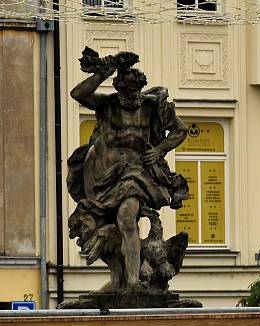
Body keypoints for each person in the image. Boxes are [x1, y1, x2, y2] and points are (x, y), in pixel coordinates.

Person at [67, 48, 189, 292]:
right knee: (101, 228)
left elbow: (180, 130)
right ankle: (118, 279)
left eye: (135, 91)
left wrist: (160, 149)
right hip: (102, 178)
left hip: (135, 175)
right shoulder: (107, 104)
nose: (131, 96)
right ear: (118, 88)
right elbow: (78, 93)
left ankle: (133, 283)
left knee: (126, 219)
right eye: (126, 90)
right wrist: (103, 72)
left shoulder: (151, 106)